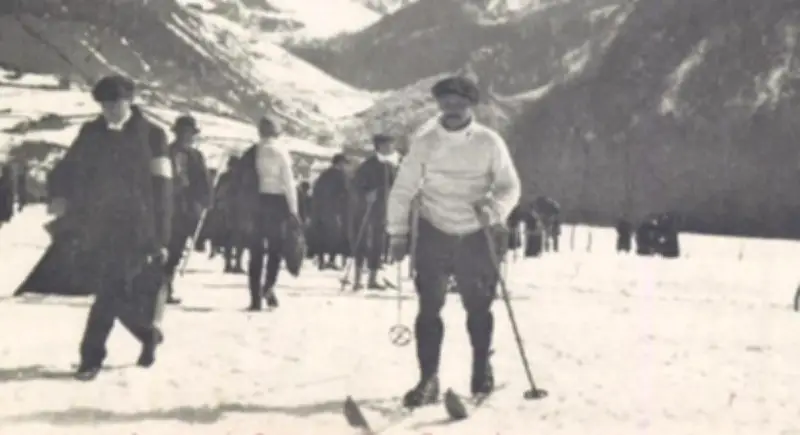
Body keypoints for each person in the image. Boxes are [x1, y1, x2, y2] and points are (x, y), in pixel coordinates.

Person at [386, 75, 521, 407]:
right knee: (429, 308)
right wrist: (398, 233)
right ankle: (428, 380)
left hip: (476, 235)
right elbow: (403, 189)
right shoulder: (425, 143)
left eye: (459, 105)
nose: (453, 110)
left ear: (470, 106)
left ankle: (480, 370)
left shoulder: (490, 143)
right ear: (439, 106)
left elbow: (509, 187)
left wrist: (496, 211)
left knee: (478, 307)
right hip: (434, 231)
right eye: (446, 104)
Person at [46, 75, 173, 381]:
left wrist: (162, 236)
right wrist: (59, 194)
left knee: (109, 291)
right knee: (112, 292)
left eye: (116, 103)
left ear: (129, 101)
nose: (111, 110)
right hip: (98, 227)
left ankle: (90, 357)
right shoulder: (90, 132)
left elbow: (163, 189)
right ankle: (147, 334)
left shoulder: (154, 136)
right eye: (105, 104)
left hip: (137, 230)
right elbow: (67, 166)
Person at [231, 117, 298, 311]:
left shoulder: (252, 152)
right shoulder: (281, 152)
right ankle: (268, 285)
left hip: (255, 203)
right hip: (277, 203)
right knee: (275, 249)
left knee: (256, 251)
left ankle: (255, 299)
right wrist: (294, 211)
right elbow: (289, 184)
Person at [163, 115, 210, 304]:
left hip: (185, 210)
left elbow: (203, 181)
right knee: (165, 248)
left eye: (189, 133)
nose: (187, 137)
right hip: (167, 206)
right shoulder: (165, 152)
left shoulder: (196, 156)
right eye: (183, 133)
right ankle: (160, 287)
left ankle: (165, 287)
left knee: (176, 250)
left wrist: (205, 200)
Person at [351, 134, 398, 290]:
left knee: (378, 243)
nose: (392, 148)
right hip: (366, 211)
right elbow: (356, 186)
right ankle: (357, 279)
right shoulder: (368, 165)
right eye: (389, 145)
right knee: (363, 243)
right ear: (380, 146)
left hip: (382, 210)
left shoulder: (391, 166)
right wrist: (366, 195)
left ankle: (372, 279)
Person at [311, 153, 351, 270]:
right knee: (335, 235)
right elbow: (346, 192)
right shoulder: (340, 175)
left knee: (321, 235)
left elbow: (316, 190)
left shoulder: (324, 174)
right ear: (340, 163)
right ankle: (331, 260)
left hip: (319, 209)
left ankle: (321, 260)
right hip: (334, 209)